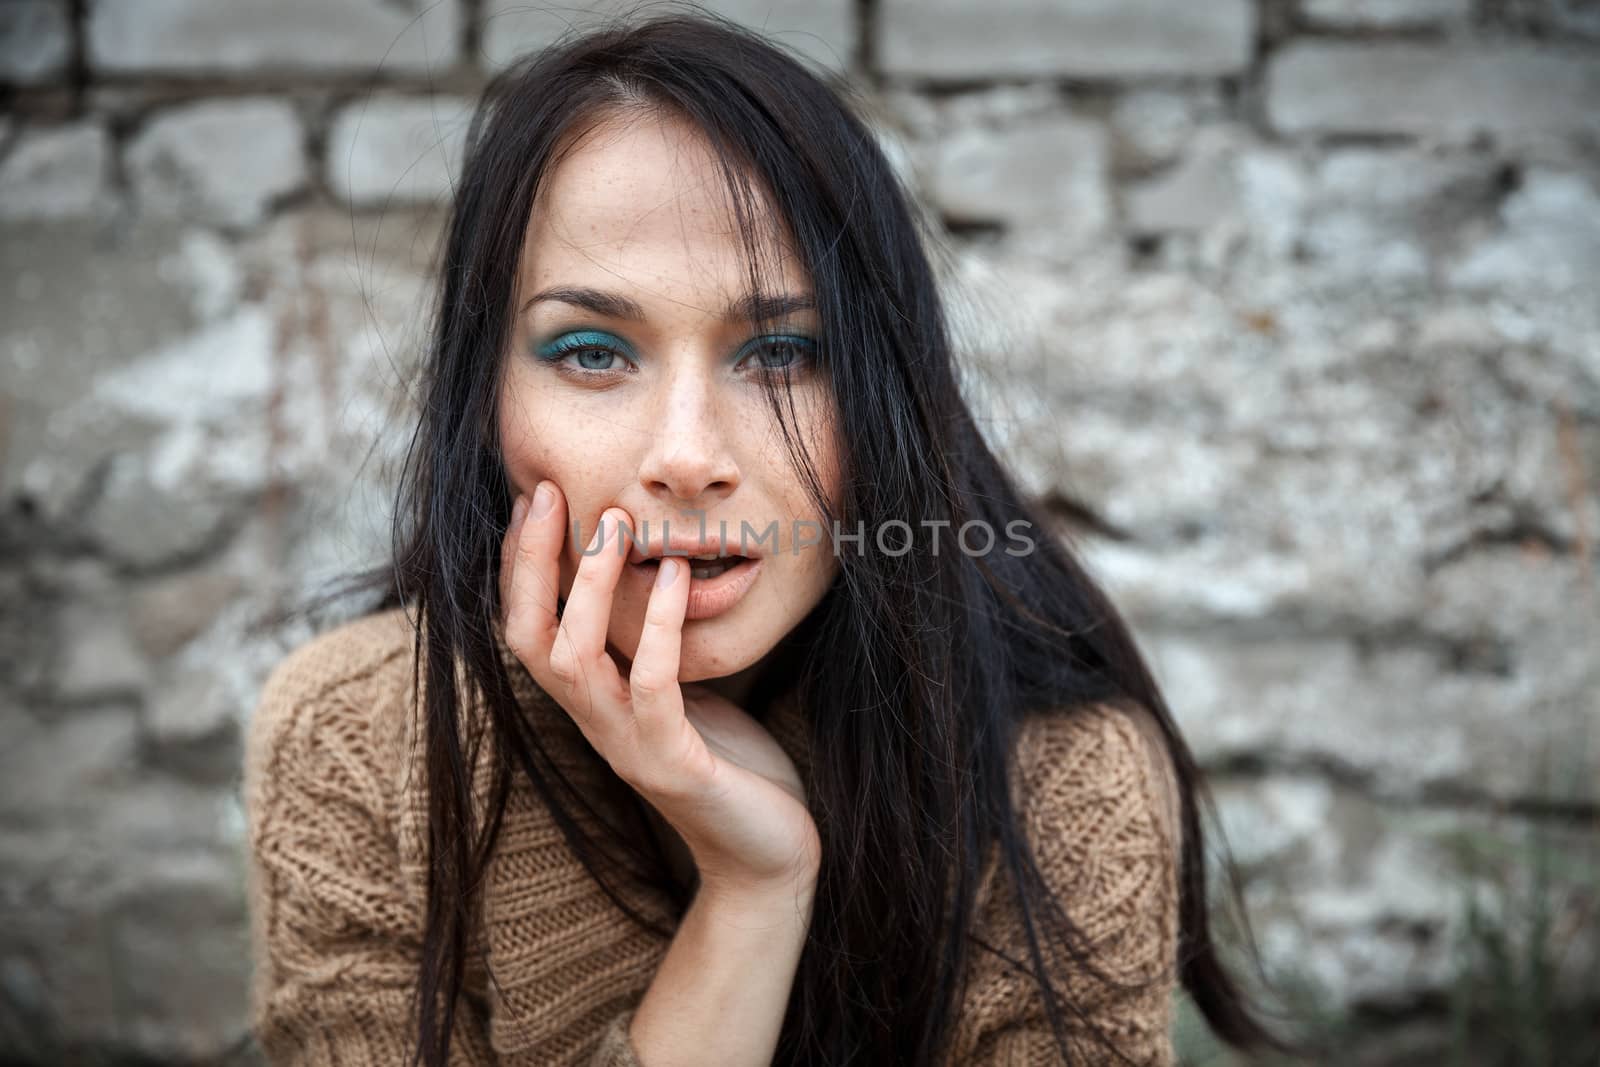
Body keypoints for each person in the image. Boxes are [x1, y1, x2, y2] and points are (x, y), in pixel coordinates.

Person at [242, 6, 1288, 1065]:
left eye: (781, 352)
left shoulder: (1054, 782)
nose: (688, 454)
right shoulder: (359, 739)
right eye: (593, 350)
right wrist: (755, 890)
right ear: (486, 403)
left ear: (885, 398)